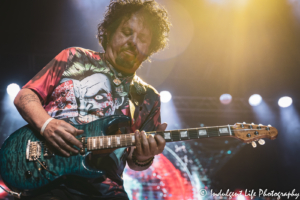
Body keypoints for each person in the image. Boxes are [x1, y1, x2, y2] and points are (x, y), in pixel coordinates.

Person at [13, 0, 171, 199]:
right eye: (126, 32)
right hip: (46, 177)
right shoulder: (73, 57)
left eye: (142, 37)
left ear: (150, 48)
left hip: (105, 190)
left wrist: (144, 156)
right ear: (110, 32)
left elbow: (135, 162)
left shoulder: (148, 97)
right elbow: (25, 95)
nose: (133, 41)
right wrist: (47, 125)